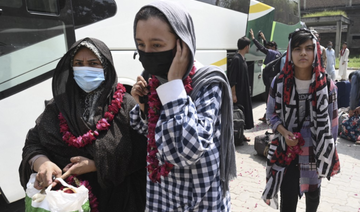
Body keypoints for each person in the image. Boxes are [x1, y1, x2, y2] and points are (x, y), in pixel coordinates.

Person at [130, 1, 236, 211]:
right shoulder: (152, 79)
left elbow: (187, 151)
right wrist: (142, 106)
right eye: (141, 45)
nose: (147, 53)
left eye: (157, 45)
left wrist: (174, 86)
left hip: (200, 200)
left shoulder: (208, 82)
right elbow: (151, 136)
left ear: (182, 44)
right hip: (163, 197)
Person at [19, 38, 148, 211]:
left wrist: (96, 165)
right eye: (78, 63)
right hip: (65, 202)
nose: (85, 69)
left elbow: (143, 153)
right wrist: (42, 163)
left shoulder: (126, 105)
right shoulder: (58, 106)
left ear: (106, 67)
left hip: (117, 202)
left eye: (93, 63)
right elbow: (33, 143)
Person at [262, 29, 340, 211]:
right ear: (290, 52)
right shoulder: (279, 82)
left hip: (314, 155)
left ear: (316, 52)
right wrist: (283, 132)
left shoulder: (327, 86)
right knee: (287, 203)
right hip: (287, 155)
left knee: (312, 202)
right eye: (297, 48)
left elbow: (333, 125)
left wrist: (327, 153)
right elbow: (270, 114)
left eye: (308, 48)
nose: (303, 53)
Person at [249, 29, 282, 122]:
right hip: (274, 78)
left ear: (273, 47)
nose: (267, 48)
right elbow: (267, 49)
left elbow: (263, 49)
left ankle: (269, 116)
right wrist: (264, 39)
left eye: (269, 47)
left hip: (271, 79)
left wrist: (253, 38)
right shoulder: (278, 53)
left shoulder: (273, 53)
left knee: (269, 97)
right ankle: (267, 115)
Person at [227, 36, 254, 142]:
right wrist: (233, 94)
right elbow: (232, 79)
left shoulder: (242, 59)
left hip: (244, 91)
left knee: (243, 113)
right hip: (239, 92)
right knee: (239, 113)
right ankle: (237, 134)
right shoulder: (236, 59)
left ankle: (241, 134)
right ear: (247, 46)